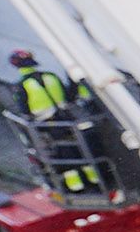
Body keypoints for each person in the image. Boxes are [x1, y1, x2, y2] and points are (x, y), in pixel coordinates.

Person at [11, 47, 102, 194]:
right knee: (80, 150)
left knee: (62, 155)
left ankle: (75, 187)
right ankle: (94, 180)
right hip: (66, 120)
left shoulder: (21, 86)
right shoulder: (51, 76)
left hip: (46, 126)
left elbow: (24, 111)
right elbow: (67, 97)